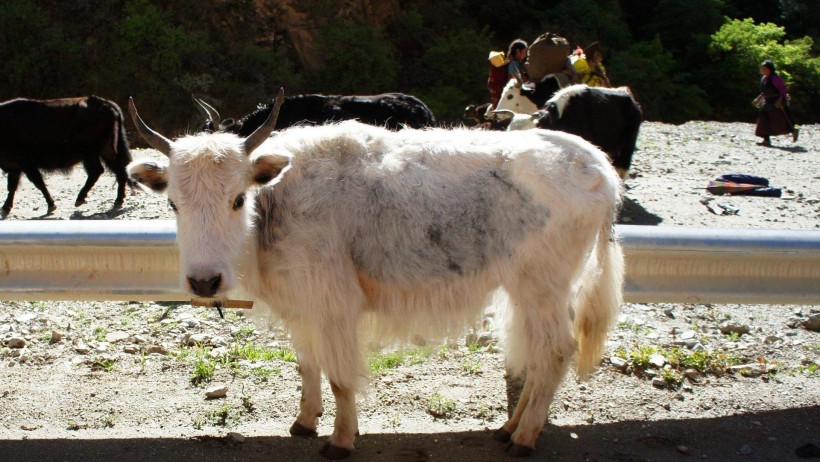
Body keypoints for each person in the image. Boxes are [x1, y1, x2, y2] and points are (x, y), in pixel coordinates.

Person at [753, 60, 798, 146]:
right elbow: (764, 91)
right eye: (762, 69)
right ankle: (766, 139)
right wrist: (758, 98)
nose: (763, 70)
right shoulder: (763, 79)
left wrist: (780, 100)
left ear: (770, 69)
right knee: (763, 120)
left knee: (781, 119)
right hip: (767, 102)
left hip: (777, 102)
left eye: (765, 69)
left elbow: (783, 90)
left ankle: (793, 130)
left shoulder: (775, 78)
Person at [487, 39, 529, 108]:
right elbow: (512, 81)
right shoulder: (514, 64)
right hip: (510, 100)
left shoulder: (508, 63)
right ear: (518, 51)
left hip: (500, 99)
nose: (525, 55)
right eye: (524, 52)